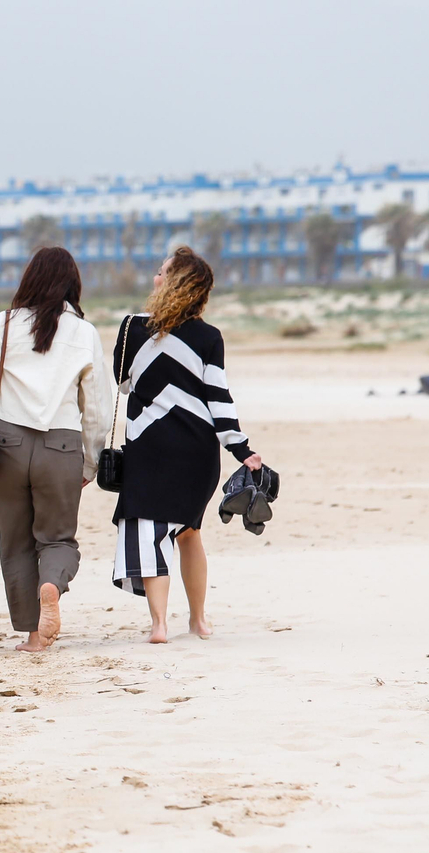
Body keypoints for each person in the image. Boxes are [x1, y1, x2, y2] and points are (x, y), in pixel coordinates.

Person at [0, 247, 111, 652]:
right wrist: (90, 460)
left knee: (16, 542)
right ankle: (52, 585)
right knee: (57, 538)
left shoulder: (3, 325)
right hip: (61, 444)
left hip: (9, 446)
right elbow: (98, 408)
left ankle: (35, 637)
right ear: (73, 284)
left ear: (28, 280)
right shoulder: (84, 333)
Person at [111, 247, 264, 643]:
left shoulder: (132, 328)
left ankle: (159, 625)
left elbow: (123, 382)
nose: (155, 278)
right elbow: (219, 400)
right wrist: (241, 450)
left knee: (149, 530)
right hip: (196, 453)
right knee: (189, 532)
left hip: (147, 446)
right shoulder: (209, 337)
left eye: (162, 272)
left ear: (176, 283)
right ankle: (198, 621)